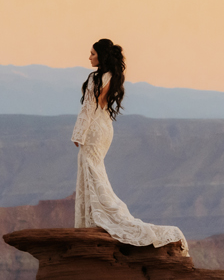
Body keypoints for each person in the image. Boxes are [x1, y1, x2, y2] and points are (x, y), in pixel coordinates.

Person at [72, 38, 188, 253]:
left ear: (101, 56)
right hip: (104, 128)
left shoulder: (97, 78)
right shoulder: (112, 76)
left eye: (92, 54)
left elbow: (89, 107)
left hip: (94, 129)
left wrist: (79, 133)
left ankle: (101, 217)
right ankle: (95, 217)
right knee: (95, 170)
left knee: (91, 169)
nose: (89, 57)